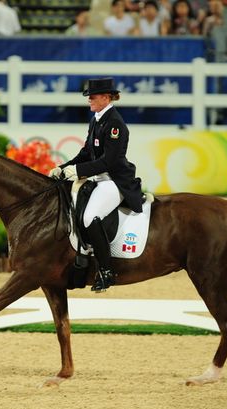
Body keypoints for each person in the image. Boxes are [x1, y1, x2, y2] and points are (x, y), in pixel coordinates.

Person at [49, 78, 143, 293]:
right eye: (88, 96)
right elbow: (86, 152)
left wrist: (78, 171)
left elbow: (109, 161)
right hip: (98, 179)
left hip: (115, 181)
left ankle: (106, 270)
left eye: (92, 96)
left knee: (90, 216)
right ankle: (82, 258)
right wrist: (63, 168)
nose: (89, 100)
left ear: (106, 97)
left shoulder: (115, 124)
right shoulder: (96, 120)